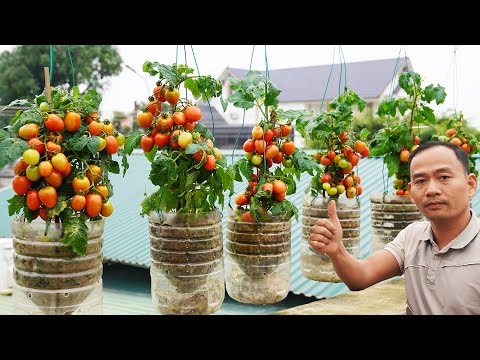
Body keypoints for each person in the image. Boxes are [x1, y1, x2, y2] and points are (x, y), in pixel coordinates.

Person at [310, 141, 480, 315]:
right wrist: (336, 250)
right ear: (411, 192)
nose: (432, 190)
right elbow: (361, 277)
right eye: (421, 180)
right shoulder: (412, 237)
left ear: (470, 185)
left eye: (444, 177)